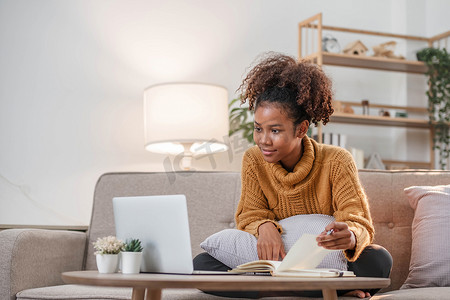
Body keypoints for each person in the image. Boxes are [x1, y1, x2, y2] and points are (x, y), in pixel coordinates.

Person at [194, 52, 392, 298]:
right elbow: (250, 213)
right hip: (274, 263)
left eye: (275, 130)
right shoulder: (253, 160)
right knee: (201, 265)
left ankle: (278, 290)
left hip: (323, 261)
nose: (264, 140)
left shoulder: (337, 160)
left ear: (301, 128)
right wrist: (265, 227)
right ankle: (330, 291)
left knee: (379, 260)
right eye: (258, 129)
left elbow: (357, 218)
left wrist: (350, 236)